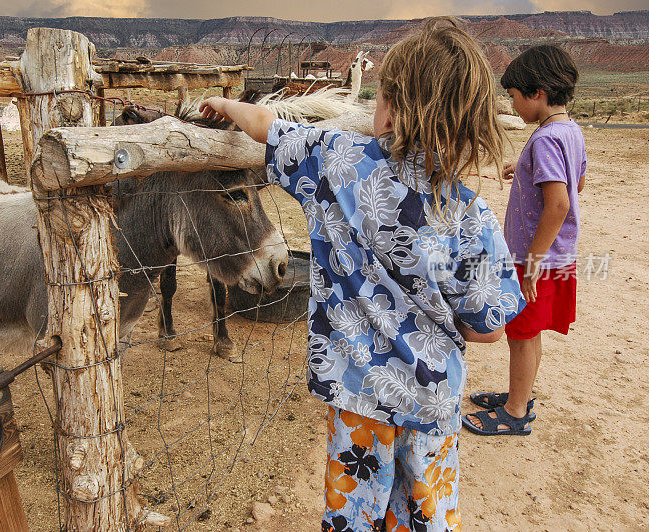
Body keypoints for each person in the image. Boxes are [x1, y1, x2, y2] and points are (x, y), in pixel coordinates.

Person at [201, 18, 524, 532]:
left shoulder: (336, 163)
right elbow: (487, 329)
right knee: (425, 515)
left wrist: (223, 107)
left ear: (393, 108)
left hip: (356, 397)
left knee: (353, 517)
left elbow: (266, 125)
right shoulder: (472, 217)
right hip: (430, 400)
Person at [463, 45, 586, 437]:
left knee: (520, 334)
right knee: (528, 334)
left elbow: (559, 203)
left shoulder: (546, 140)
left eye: (514, 96)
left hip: (536, 261)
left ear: (538, 93)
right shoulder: (569, 131)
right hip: (557, 259)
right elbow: (577, 181)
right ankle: (521, 393)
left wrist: (531, 262)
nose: (512, 104)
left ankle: (515, 413)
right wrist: (525, 166)